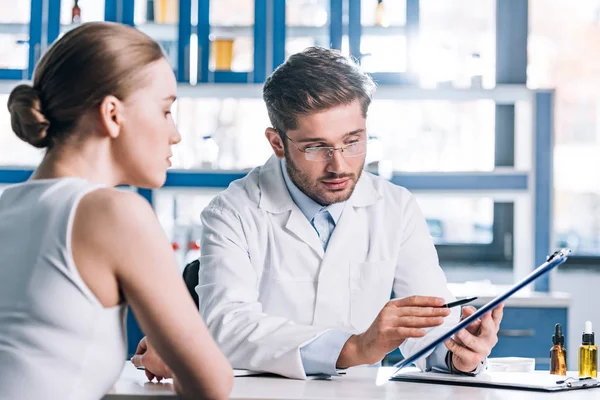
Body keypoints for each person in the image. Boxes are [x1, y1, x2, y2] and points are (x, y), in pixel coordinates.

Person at [139, 46, 504, 380]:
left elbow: (427, 326)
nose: (339, 166)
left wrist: (458, 353)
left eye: (353, 141)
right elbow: (229, 328)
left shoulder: (396, 207)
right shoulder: (233, 211)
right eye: (316, 147)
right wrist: (355, 347)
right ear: (277, 143)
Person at [0, 22, 232, 400]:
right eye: (165, 111)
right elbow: (212, 384)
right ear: (112, 114)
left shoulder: (8, 206)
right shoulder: (115, 213)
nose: (175, 134)